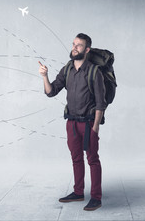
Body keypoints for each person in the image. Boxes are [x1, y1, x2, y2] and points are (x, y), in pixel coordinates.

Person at [38, 33, 106, 211]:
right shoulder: (67, 69)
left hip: (89, 122)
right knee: (76, 158)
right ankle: (78, 192)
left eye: (79, 45)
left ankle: (96, 198)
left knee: (92, 159)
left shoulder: (94, 71)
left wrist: (96, 127)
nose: (75, 47)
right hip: (71, 123)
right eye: (74, 44)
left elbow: (101, 103)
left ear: (87, 49)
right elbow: (51, 92)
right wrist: (45, 76)